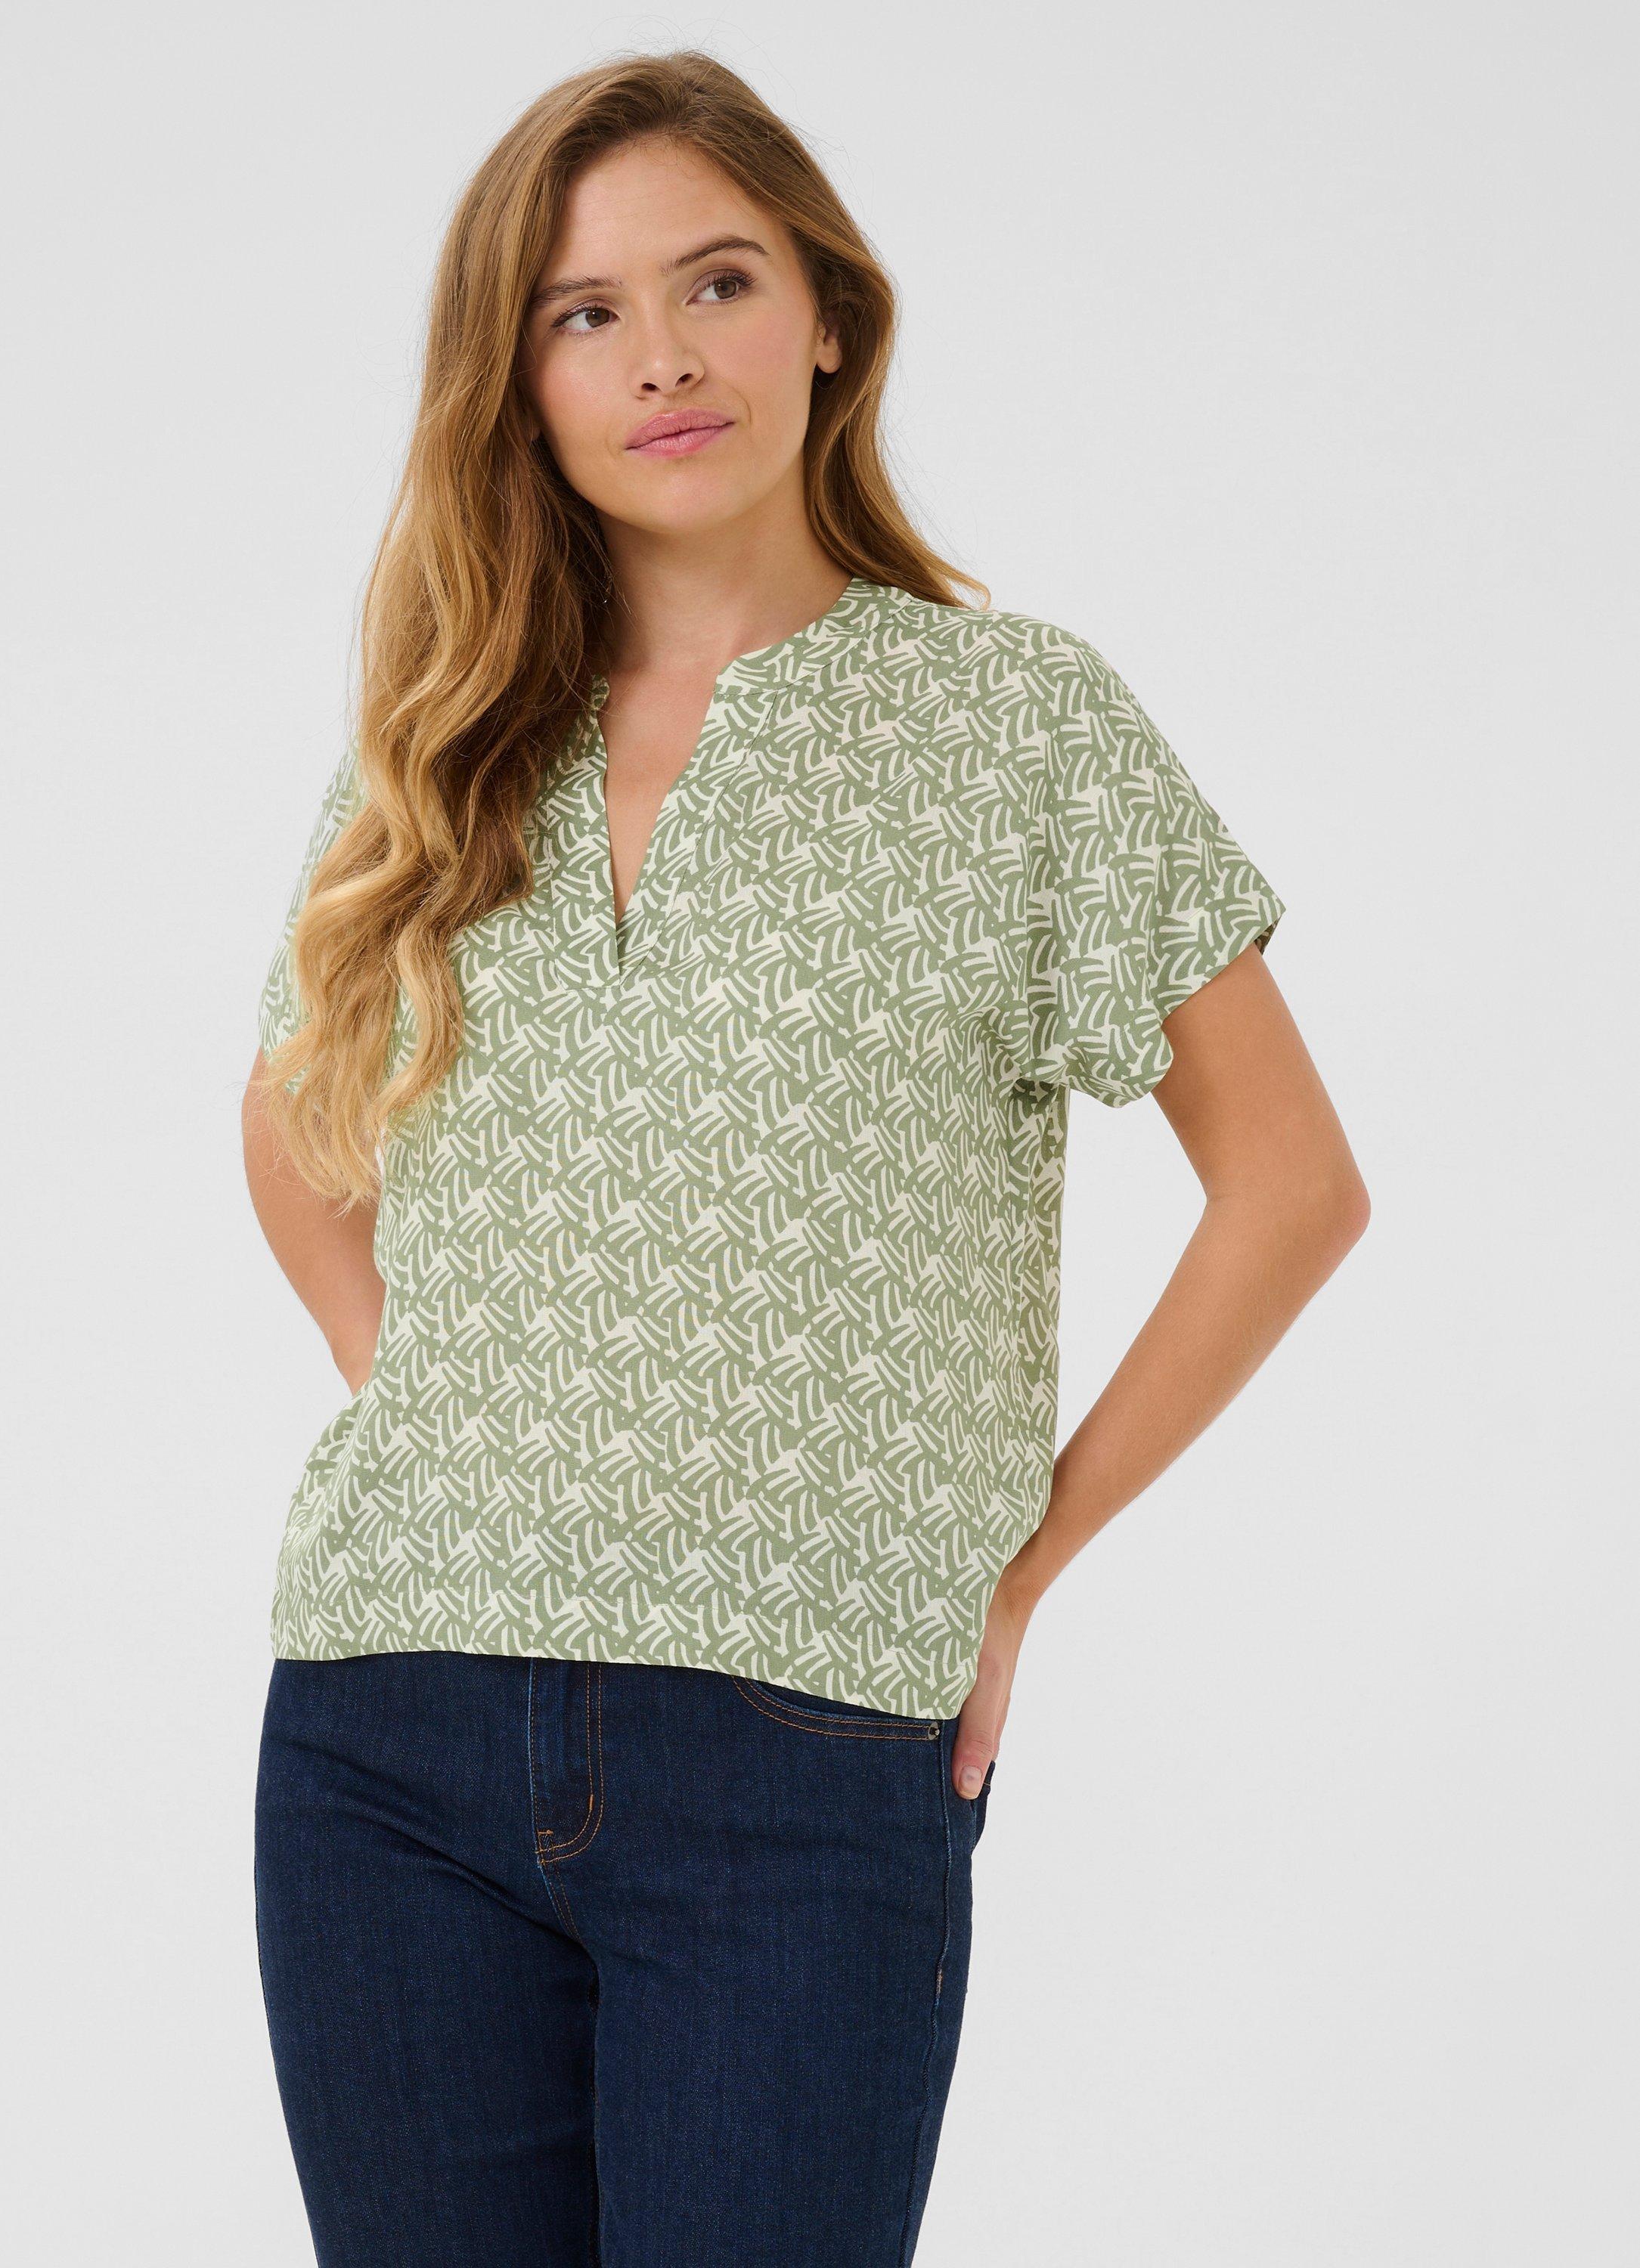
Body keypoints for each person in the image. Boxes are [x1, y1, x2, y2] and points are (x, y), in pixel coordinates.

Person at [241, 48, 1369, 2268]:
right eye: (583, 314)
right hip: (388, 1724)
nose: (661, 356)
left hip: (807, 1739)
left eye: (718, 282)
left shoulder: (1014, 728)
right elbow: (295, 1138)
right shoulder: (447, 742)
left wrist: (1018, 1568)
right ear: (520, 386)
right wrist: (463, 1410)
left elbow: (1293, 1186)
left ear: (828, 315)